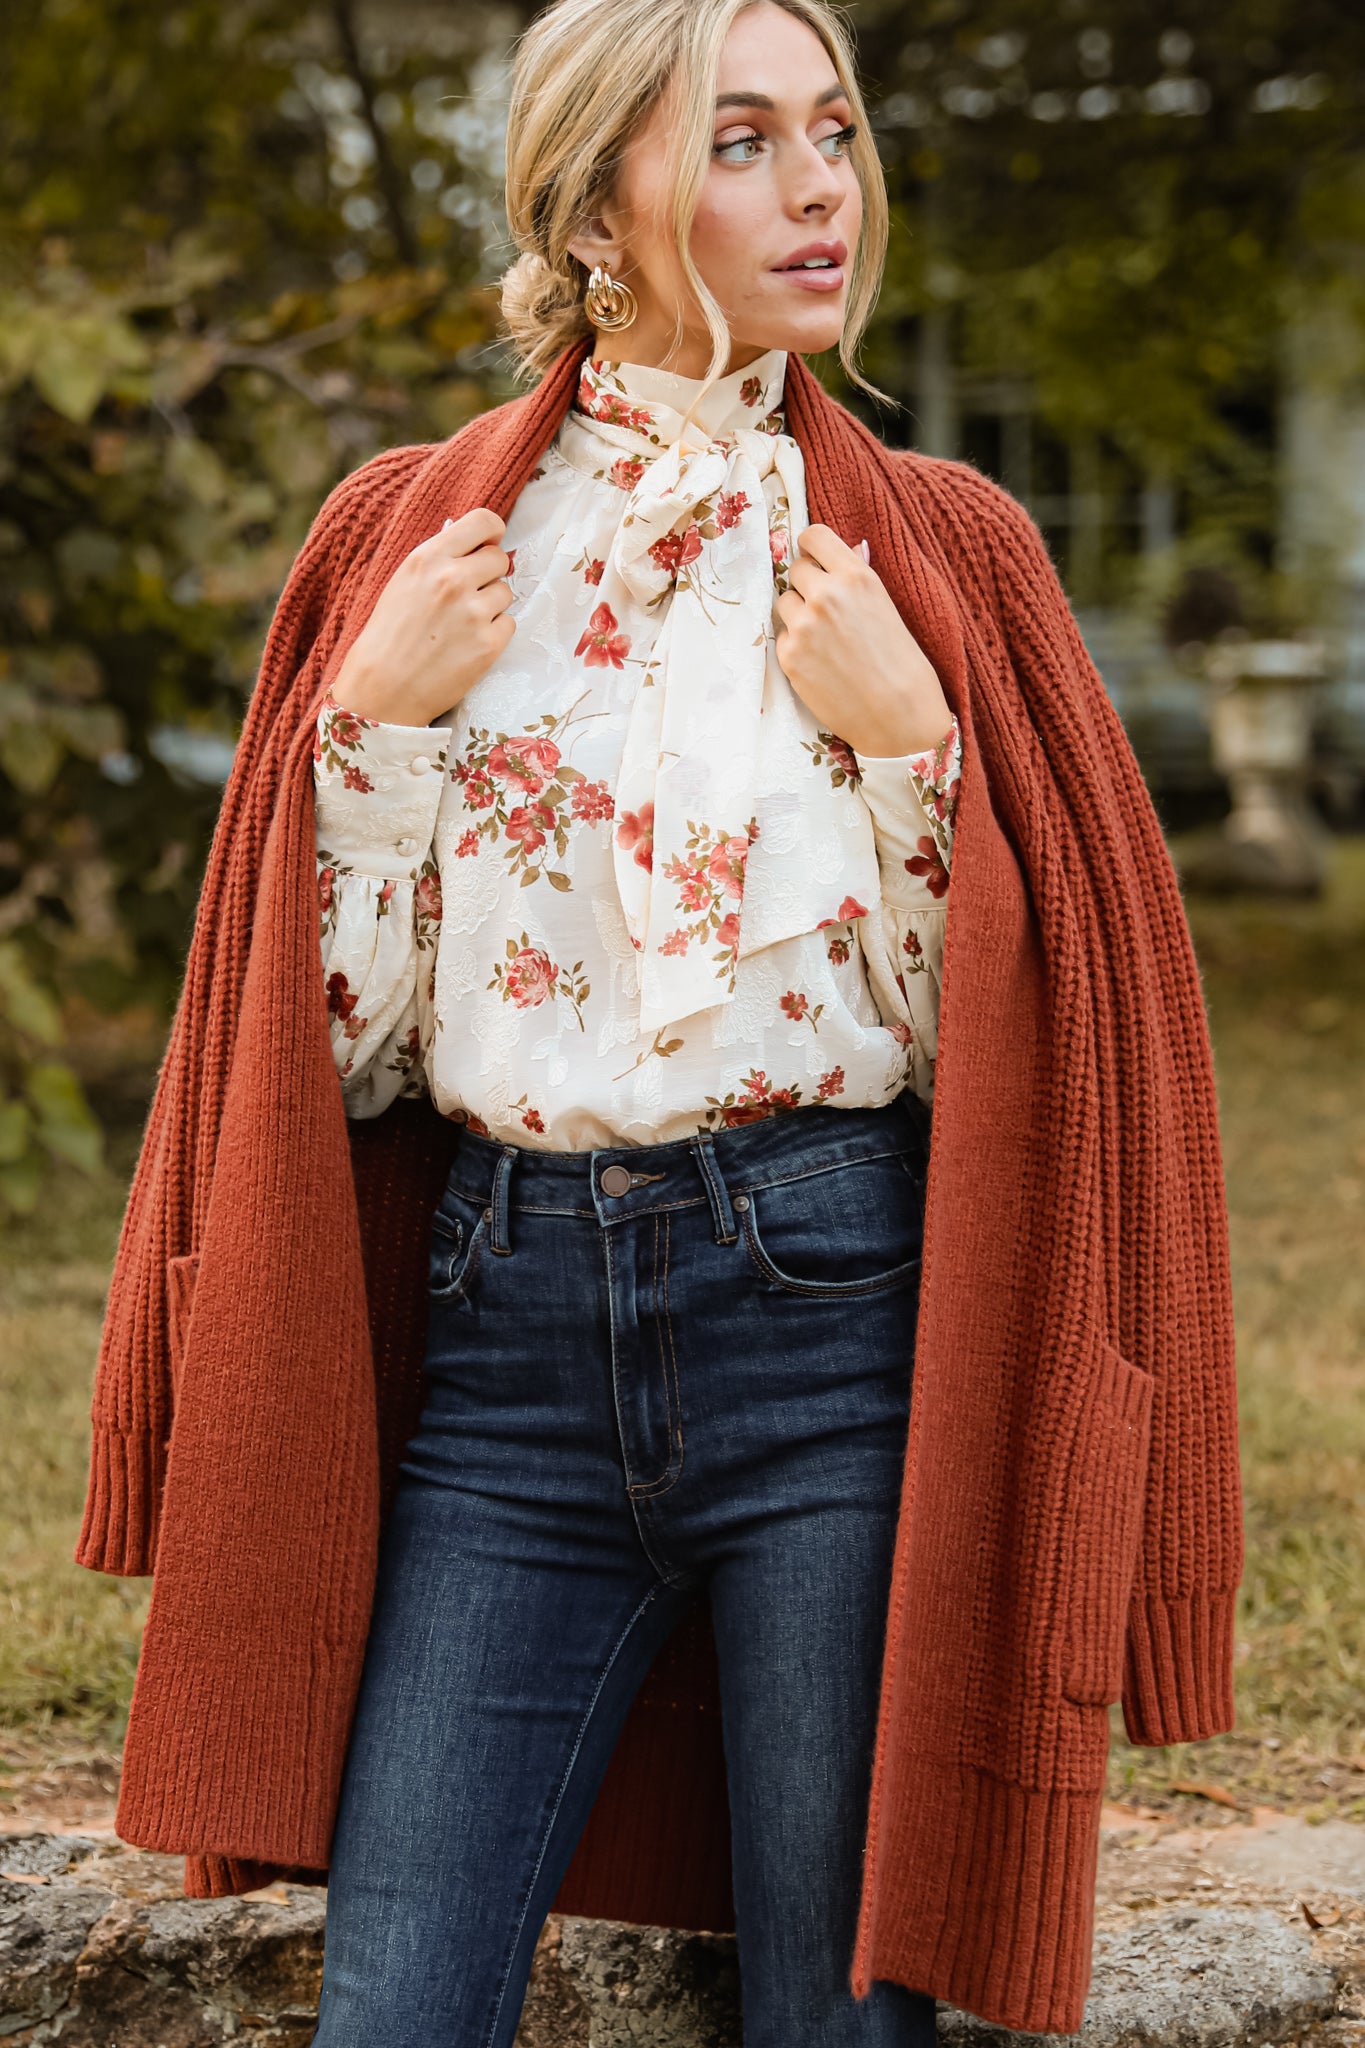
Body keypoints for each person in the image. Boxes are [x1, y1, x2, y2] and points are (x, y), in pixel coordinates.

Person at [75, 1, 1242, 2042]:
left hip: (840, 1338)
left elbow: (1052, 1079)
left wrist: (915, 759)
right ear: (588, 203)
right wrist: (373, 728)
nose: (816, 189)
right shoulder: (408, 539)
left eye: (836, 133)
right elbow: (324, 1057)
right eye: (738, 140)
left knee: (831, 2007)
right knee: (394, 2006)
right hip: (505, 1358)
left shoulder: (947, 552)